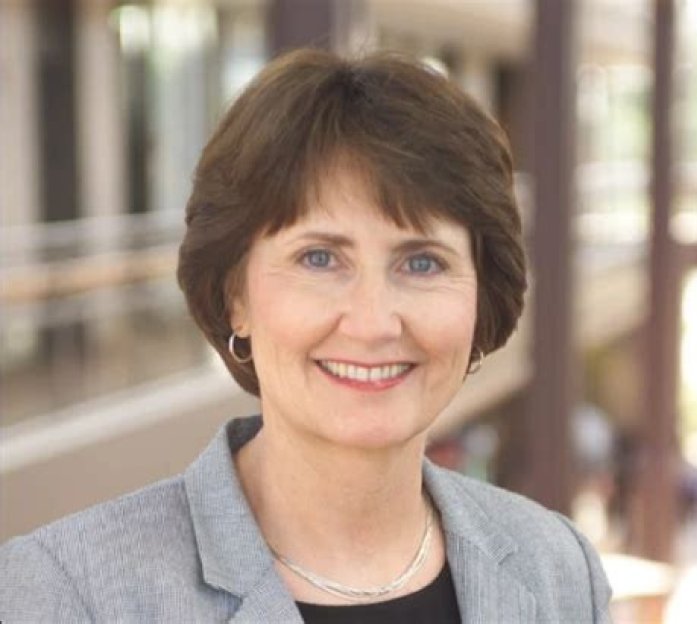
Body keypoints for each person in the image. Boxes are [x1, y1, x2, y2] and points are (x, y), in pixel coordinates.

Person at [0, 49, 611, 623]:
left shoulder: (558, 569)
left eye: (422, 262)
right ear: (235, 297)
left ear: (481, 297)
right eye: (319, 258)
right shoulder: (67, 594)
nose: (373, 322)